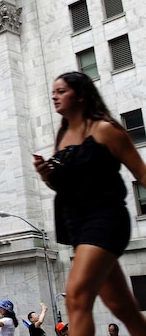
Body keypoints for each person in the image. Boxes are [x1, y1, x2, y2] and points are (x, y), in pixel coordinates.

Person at [33, 72, 146, 336]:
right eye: (53, 91)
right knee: (124, 308)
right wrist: (46, 175)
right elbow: (63, 186)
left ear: (81, 95)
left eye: (61, 91)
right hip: (77, 225)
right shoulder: (62, 136)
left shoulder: (105, 130)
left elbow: (141, 172)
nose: (54, 96)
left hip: (106, 220)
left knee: (76, 296)